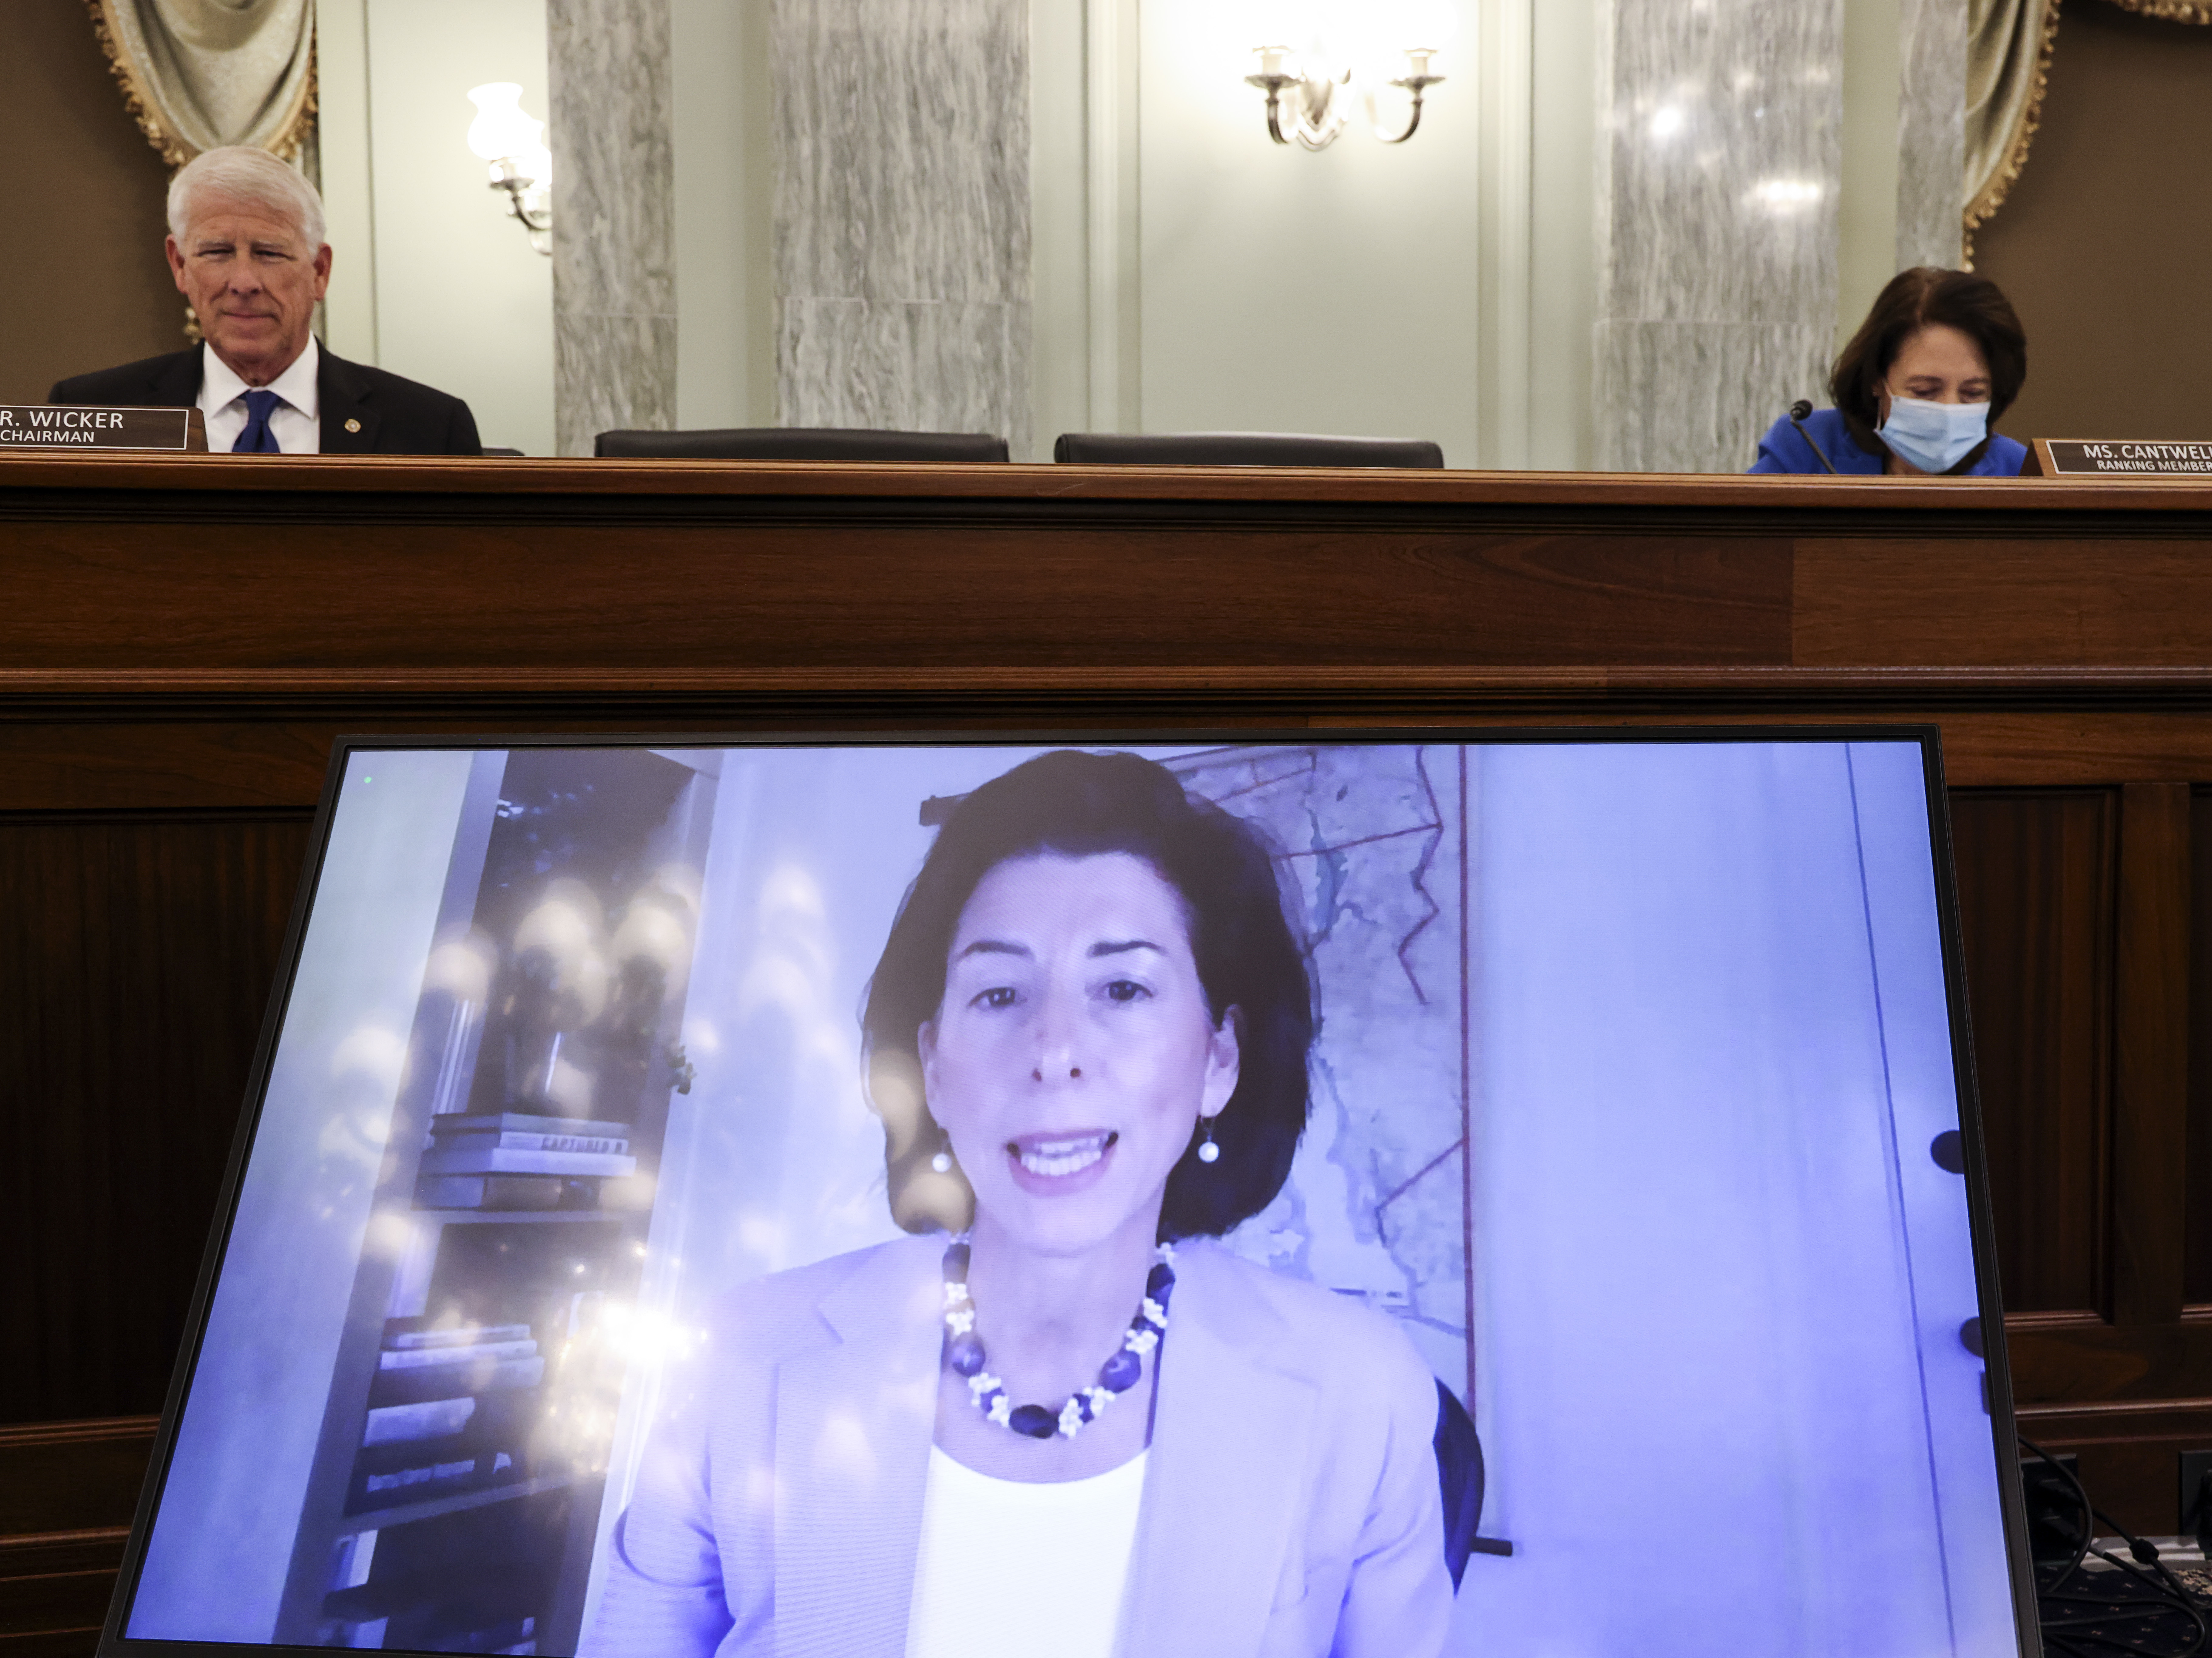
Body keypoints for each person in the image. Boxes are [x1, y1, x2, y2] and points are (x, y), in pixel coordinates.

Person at [585, 751, 1455, 1658]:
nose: (1052, 1051)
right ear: (932, 1065)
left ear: (1218, 1061)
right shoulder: (740, 1363)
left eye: (1123, 987)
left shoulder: (1362, 1393)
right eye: (999, 992)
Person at [49, 147, 481, 456]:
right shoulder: (92, 413)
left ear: (319, 271)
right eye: (216, 253)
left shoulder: (429, 428)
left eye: (269, 254)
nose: (243, 282)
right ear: (179, 265)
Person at [1748, 266, 2029, 477]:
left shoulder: (2019, 471)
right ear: (1876, 379)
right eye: (1925, 391)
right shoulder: (1806, 448)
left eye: (1972, 393)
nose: (1948, 409)